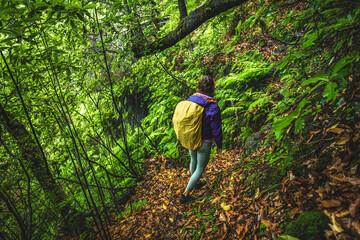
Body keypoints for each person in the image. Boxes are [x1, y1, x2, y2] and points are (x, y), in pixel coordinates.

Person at [179, 75, 223, 204]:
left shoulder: (191, 100)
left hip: (191, 137)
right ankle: (185, 194)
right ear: (212, 89)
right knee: (200, 168)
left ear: (199, 86)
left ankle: (196, 183)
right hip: (204, 141)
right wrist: (219, 144)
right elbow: (216, 129)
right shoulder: (212, 106)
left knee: (193, 161)